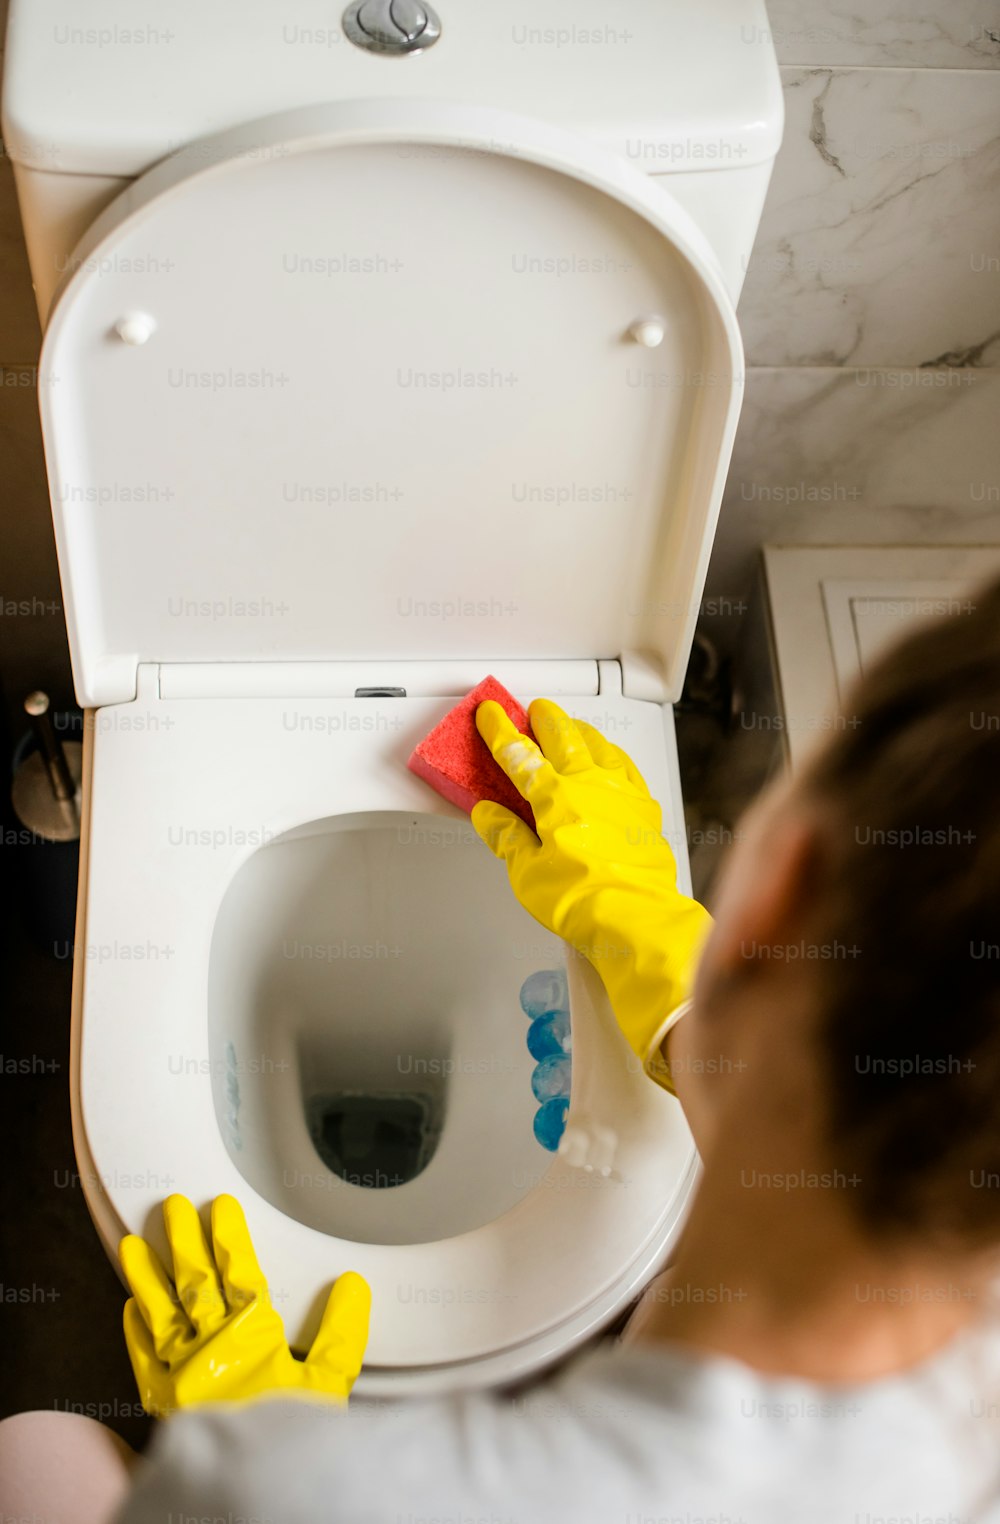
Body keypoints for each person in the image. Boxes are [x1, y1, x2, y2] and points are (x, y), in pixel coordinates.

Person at [3, 576, 1000, 1524]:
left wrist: (249, 1461)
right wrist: (667, 982)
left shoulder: (272, 1495)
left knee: (30, 1458)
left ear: (780, 886)